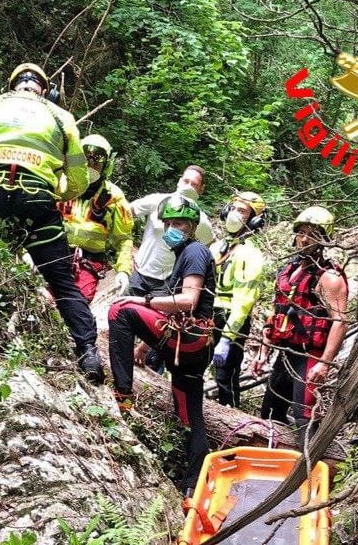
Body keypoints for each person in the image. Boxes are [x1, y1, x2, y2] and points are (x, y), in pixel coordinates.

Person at [0, 63, 105, 383]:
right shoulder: (61, 117)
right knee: (63, 283)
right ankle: (88, 352)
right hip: (39, 205)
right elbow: (79, 180)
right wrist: (55, 190)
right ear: (45, 88)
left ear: (13, 85)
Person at [108, 194, 216, 502]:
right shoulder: (184, 254)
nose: (172, 228)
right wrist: (145, 345)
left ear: (192, 226)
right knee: (188, 415)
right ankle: (193, 485)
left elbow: (187, 301)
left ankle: (123, 396)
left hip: (190, 338)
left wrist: (141, 300)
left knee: (120, 311)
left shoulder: (194, 251)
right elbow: (174, 310)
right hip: (193, 346)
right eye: (167, 223)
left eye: (179, 223)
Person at [251, 206, 348, 445]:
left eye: (312, 233)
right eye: (301, 232)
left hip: (309, 357)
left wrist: (324, 365)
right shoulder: (289, 271)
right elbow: (276, 313)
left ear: (323, 239)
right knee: (270, 414)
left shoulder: (329, 278)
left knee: (305, 418)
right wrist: (263, 352)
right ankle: (275, 463)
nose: (304, 238)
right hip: (285, 353)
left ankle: (313, 468)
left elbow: (340, 322)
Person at [57, 134, 135, 302]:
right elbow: (36, 219)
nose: (91, 162)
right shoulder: (61, 184)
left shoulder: (114, 197)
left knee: (78, 303)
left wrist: (123, 270)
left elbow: (124, 239)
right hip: (53, 253)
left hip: (88, 261)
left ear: (106, 164)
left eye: (97, 158)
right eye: (86, 156)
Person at [210, 192, 267, 407]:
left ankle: (230, 417)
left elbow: (243, 303)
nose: (234, 214)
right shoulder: (218, 247)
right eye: (233, 208)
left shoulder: (250, 255)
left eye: (242, 211)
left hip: (230, 321)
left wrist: (227, 338)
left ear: (253, 220)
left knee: (225, 378)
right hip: (208, 315)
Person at [127, 166, 214, 297]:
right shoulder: (157, 201)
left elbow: (207, 246)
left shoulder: (200, 219)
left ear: (201, 189)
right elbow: (125, 213)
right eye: (186, 181)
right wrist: (128, 248)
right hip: (139, 272)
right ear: (179, 182)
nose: (189, 186)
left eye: (194, 184)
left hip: (168, 281)